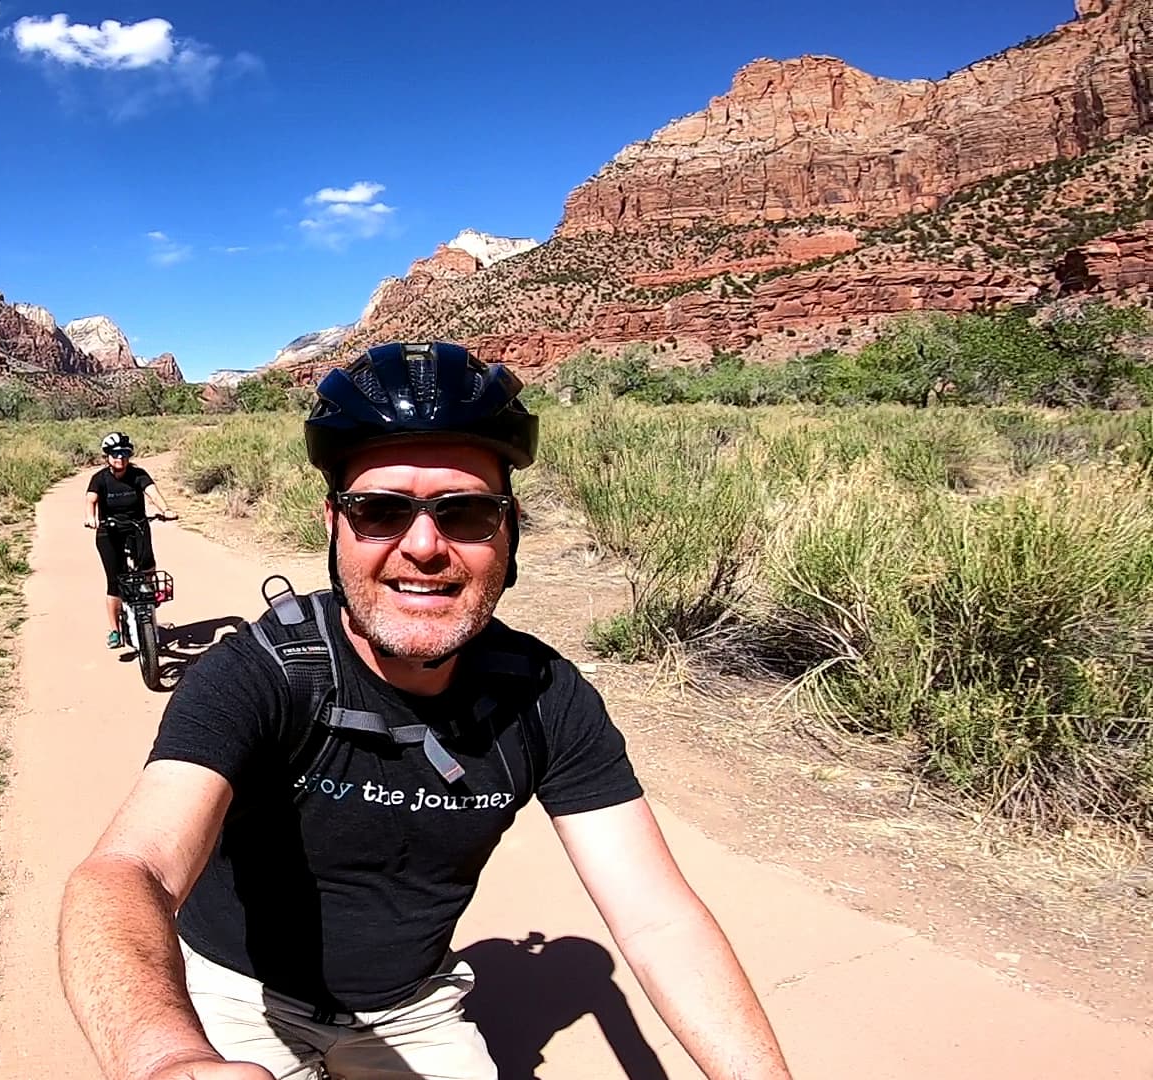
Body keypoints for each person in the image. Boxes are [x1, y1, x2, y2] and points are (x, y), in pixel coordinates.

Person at [58, 343, 792, 1079]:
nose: (424, 547)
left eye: (466, 512)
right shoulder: (261, 672)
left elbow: (657, 919)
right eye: (379, 511)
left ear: (509, 531)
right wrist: (166, 1058)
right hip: (237, 997)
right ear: (332, 524)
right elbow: (130, 870)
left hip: (413, 1008)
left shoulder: (545, 696)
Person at [86, 431, 178, 649]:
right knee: (115, 582)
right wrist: (91, 518)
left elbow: (152, 493)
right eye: (116, 453)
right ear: (107, 456)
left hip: (137, 526)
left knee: (147, 565)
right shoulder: (100, 479)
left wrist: (165, 509)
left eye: (125, 453)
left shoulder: (138, 474)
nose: (121, 458)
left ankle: (148, 598)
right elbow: (91, 500)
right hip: (109, 531)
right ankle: (115, 631)